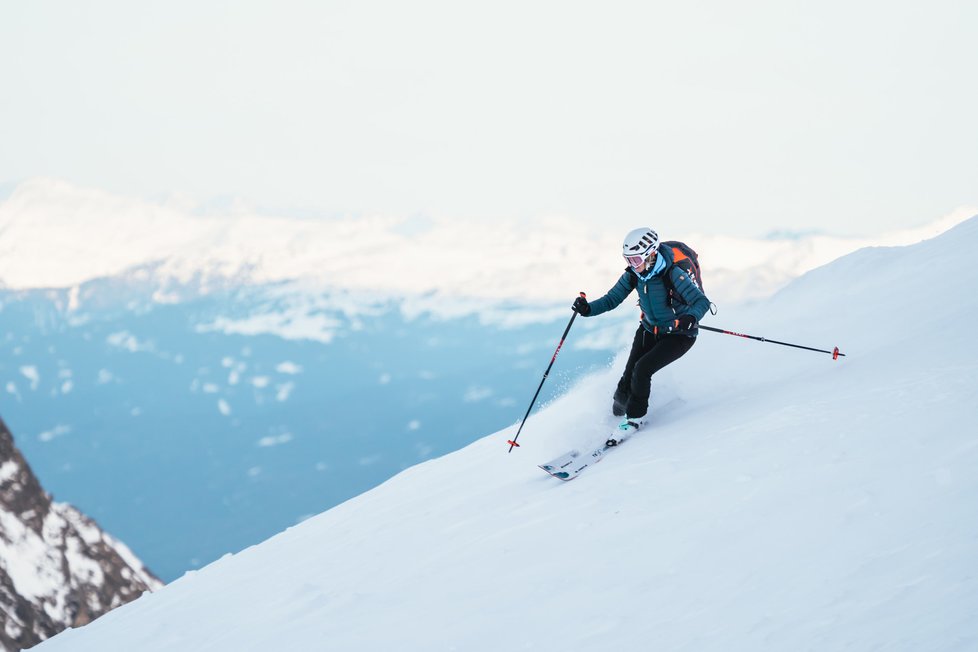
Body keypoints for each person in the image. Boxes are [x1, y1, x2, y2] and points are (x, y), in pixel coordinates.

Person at [571, 227, 711, 446]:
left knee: (642, 369)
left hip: (679, 335)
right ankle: (616, 417)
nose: (632, 264)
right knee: (626, 383)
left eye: (636, 259)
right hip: (648, 330)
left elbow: (702, 302)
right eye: (628, 259)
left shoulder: (674, 273)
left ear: (651, 254)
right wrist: (587, 309)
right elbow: (611, 300)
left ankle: (634, 419)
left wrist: (690, 318)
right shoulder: (634, 275)